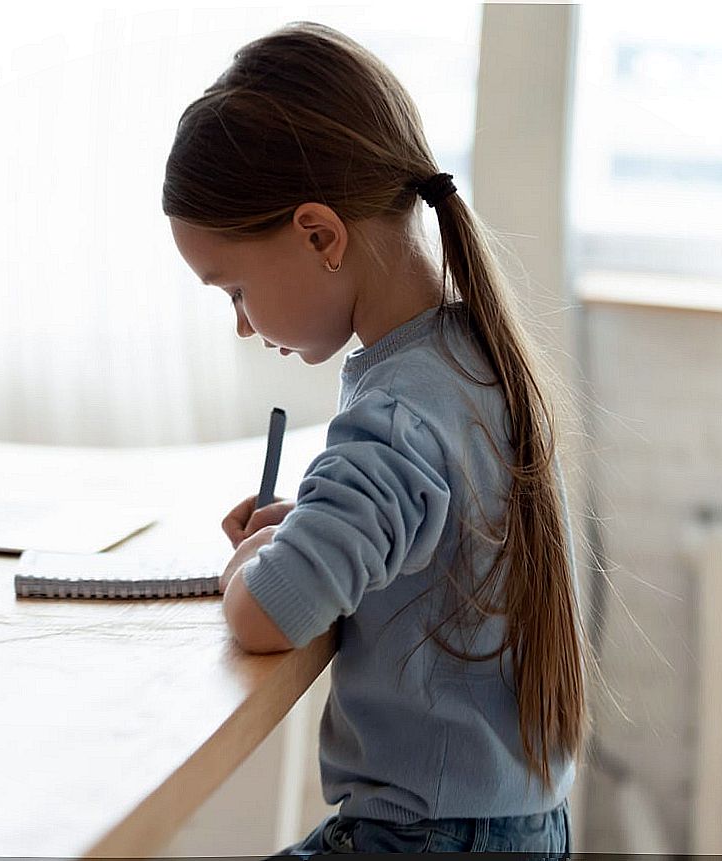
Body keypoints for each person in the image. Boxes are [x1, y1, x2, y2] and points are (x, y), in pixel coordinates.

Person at [163, 22, 588, 857]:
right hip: (519, 828)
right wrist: (305, 526)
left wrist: (249, 560)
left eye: (236, 289)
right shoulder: (470, 359)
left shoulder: (396, 413)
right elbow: (418, 535)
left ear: (320, 235)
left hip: (427, 836)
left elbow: (267, 615)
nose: (244, 326)